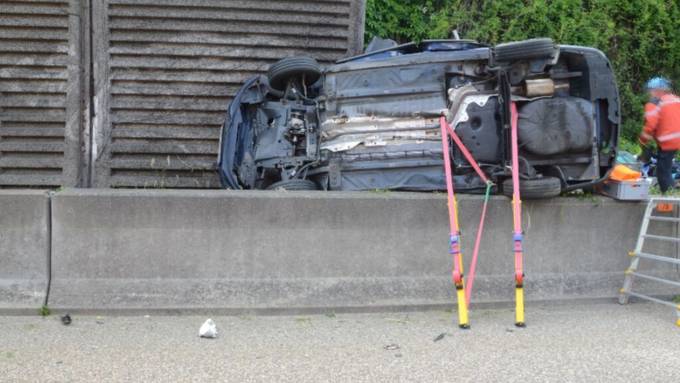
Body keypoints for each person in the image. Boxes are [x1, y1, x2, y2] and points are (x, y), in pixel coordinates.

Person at [639, 77, 680, 193]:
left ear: (657, 90)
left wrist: (642, 141)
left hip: (667, 140)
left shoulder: (654, 103)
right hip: (677, 139)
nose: (649, 94)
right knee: (665, 168)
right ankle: (670, 192)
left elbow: (650, 125)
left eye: (650, 91)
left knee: (662, 171)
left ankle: (669, 196)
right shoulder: (676, 100)